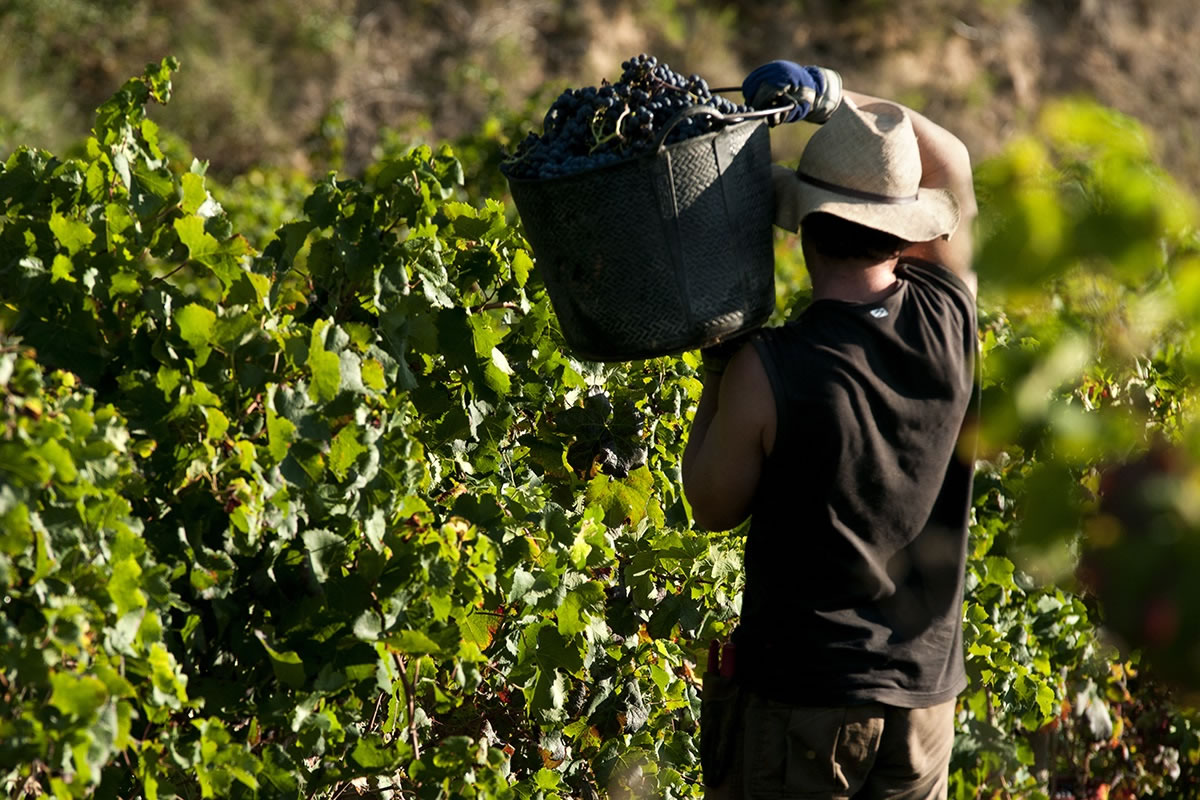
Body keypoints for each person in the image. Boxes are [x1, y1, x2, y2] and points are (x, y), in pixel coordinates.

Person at [682, 60, 979, 800]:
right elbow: (954, 160)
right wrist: (839, 99)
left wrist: (717, 369)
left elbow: (710, 504)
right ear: (905, 229)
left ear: (802, 229)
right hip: (925, 700)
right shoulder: (952, 313)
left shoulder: (768, 369)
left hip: (806, 703)